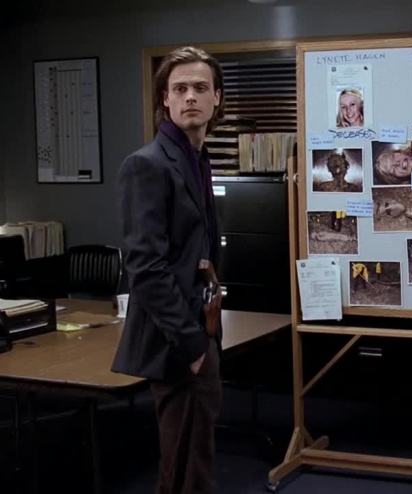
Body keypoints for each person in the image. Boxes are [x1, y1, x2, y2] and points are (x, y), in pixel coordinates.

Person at [112, 46, 225, 494]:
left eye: (200, 87)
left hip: (199, 326)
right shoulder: (147, 164)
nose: (189, 96)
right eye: (179, 89)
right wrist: (192, 344)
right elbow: (145, 266)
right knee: (183, 469)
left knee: (195, 460)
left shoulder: (197, 158)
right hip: (177, 338)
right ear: (165, 99)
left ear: (217, 97)